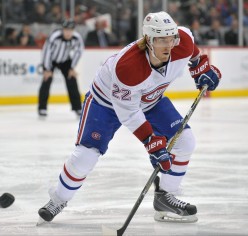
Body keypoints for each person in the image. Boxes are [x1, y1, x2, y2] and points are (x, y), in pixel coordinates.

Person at [38, 11, 221, 223]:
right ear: (149, 40)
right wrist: (150, 141)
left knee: (185, 142)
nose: (169, 45)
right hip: (105, 103)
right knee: (85, 156)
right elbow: (129, 112)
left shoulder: (183, 42)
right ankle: (58, 198)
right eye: (162, 39)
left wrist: (201, 67)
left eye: (172, 38)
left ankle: (165, 198)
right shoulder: (128, 67)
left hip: (150, 100)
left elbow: (193, 52)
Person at [37, 19, 84, 117]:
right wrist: (47, 69)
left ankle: (78, 108)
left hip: (65, 61)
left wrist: (72, 67)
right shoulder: (54, 36)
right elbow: (46, 51)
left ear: (73, 30)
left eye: (70, 30)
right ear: (62, 29)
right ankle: (42, 108)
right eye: (66, 30)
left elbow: (79, 51)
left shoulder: (77, 38)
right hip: (51, 60)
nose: (68, 32)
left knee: (72, 80)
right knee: (47, 80)